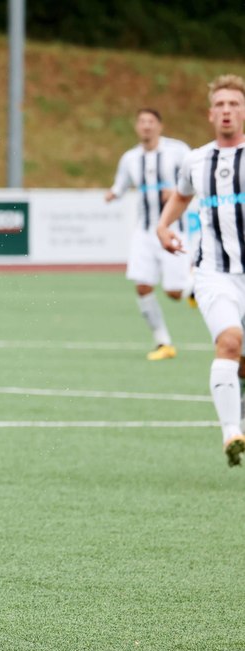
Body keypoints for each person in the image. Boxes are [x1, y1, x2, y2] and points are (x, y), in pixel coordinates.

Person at [156, 74, 245, 467]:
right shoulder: (196, 160)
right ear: (211, 114)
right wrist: (163, 227)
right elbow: (180, 195)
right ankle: (232, 434)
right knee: (229, 341)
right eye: (221, 105)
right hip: (214, 273)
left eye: (234, 104)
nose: (227, 111)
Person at [106, 109, 192, 360]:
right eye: (141, 122)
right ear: (136, 127)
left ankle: (198, 287)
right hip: (144, 233)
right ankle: (163, 343)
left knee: (174, 293)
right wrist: (113, 194)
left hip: (174, 229)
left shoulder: (179, 151)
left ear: (160, 126)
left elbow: (196, 181)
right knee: (142, 286)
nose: (146, 126)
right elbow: (121, 185)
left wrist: (175, 191)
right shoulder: (130, 158)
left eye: (151, 122)